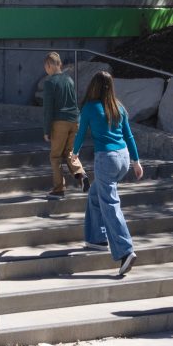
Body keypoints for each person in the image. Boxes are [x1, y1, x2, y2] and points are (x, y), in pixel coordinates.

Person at [75, 69, 144, 277]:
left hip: (106, 159)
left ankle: (126, 251)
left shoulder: (89, 108)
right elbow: (129, 136)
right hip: (122, 158)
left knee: (111, 205)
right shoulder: (118, 107)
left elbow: (80, 133)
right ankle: (96, 238)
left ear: (93, 87)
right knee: (96, 194)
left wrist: (74, 152)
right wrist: (136, 161)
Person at [36, 51, 80, 198]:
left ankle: (59, 189)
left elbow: (48, 108)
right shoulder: (69, 80)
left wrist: (46, 130)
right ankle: (82, 177)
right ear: (59, 64)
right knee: (69, 153)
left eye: (45, 67)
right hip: (74, 120)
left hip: (59, 122)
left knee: (55, 157)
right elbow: (75, 102)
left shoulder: (49, 82)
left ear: (48, 65)